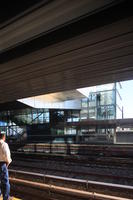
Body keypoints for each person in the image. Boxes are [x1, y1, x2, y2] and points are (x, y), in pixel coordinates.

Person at [0, 131, 12, 200]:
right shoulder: (4, 144)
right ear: (4, 137)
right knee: (5, 182)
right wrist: (7, 163)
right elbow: (7, 156)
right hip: (2, 164)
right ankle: (6, 198)